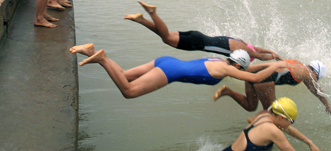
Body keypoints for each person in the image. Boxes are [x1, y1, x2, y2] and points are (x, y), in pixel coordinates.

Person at [70, 43, 290, 99]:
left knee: (125, 75)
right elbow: (253, 76)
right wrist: (278, 66)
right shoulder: (227, 70)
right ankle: (102, 58)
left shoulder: (220, 60)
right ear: (238, 66)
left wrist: (271, 63)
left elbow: (253, 68)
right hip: (171, 72)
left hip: (166, 61)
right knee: (128, 91)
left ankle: (91, 50)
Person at [125, 1, 282, 62]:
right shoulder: (242, 49)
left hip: (197, 35)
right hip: (198, 43)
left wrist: (273, 52)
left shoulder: (241, 42)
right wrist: (275, 58)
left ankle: (141, 20)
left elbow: (258, 49)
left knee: (164, 35)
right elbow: (259, 56)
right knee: (166, 38)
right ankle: (152, 13)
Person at [214, 59, 331, 116]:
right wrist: (329, 106)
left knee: (251, 106)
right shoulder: (309, 73)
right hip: (265, 78)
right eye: (317, 77)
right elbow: (318, 91)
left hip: (255, 74)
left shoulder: (299, 65)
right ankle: (256, 128)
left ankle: (228, 91)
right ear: (316, 73)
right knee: (272, 114)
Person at [222, 97, 320, 151]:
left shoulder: (263, 117)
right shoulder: (273, 131)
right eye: (291, 121)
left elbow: (288, 129)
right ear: (282, 118)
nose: (290, 125)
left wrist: (309, 142)